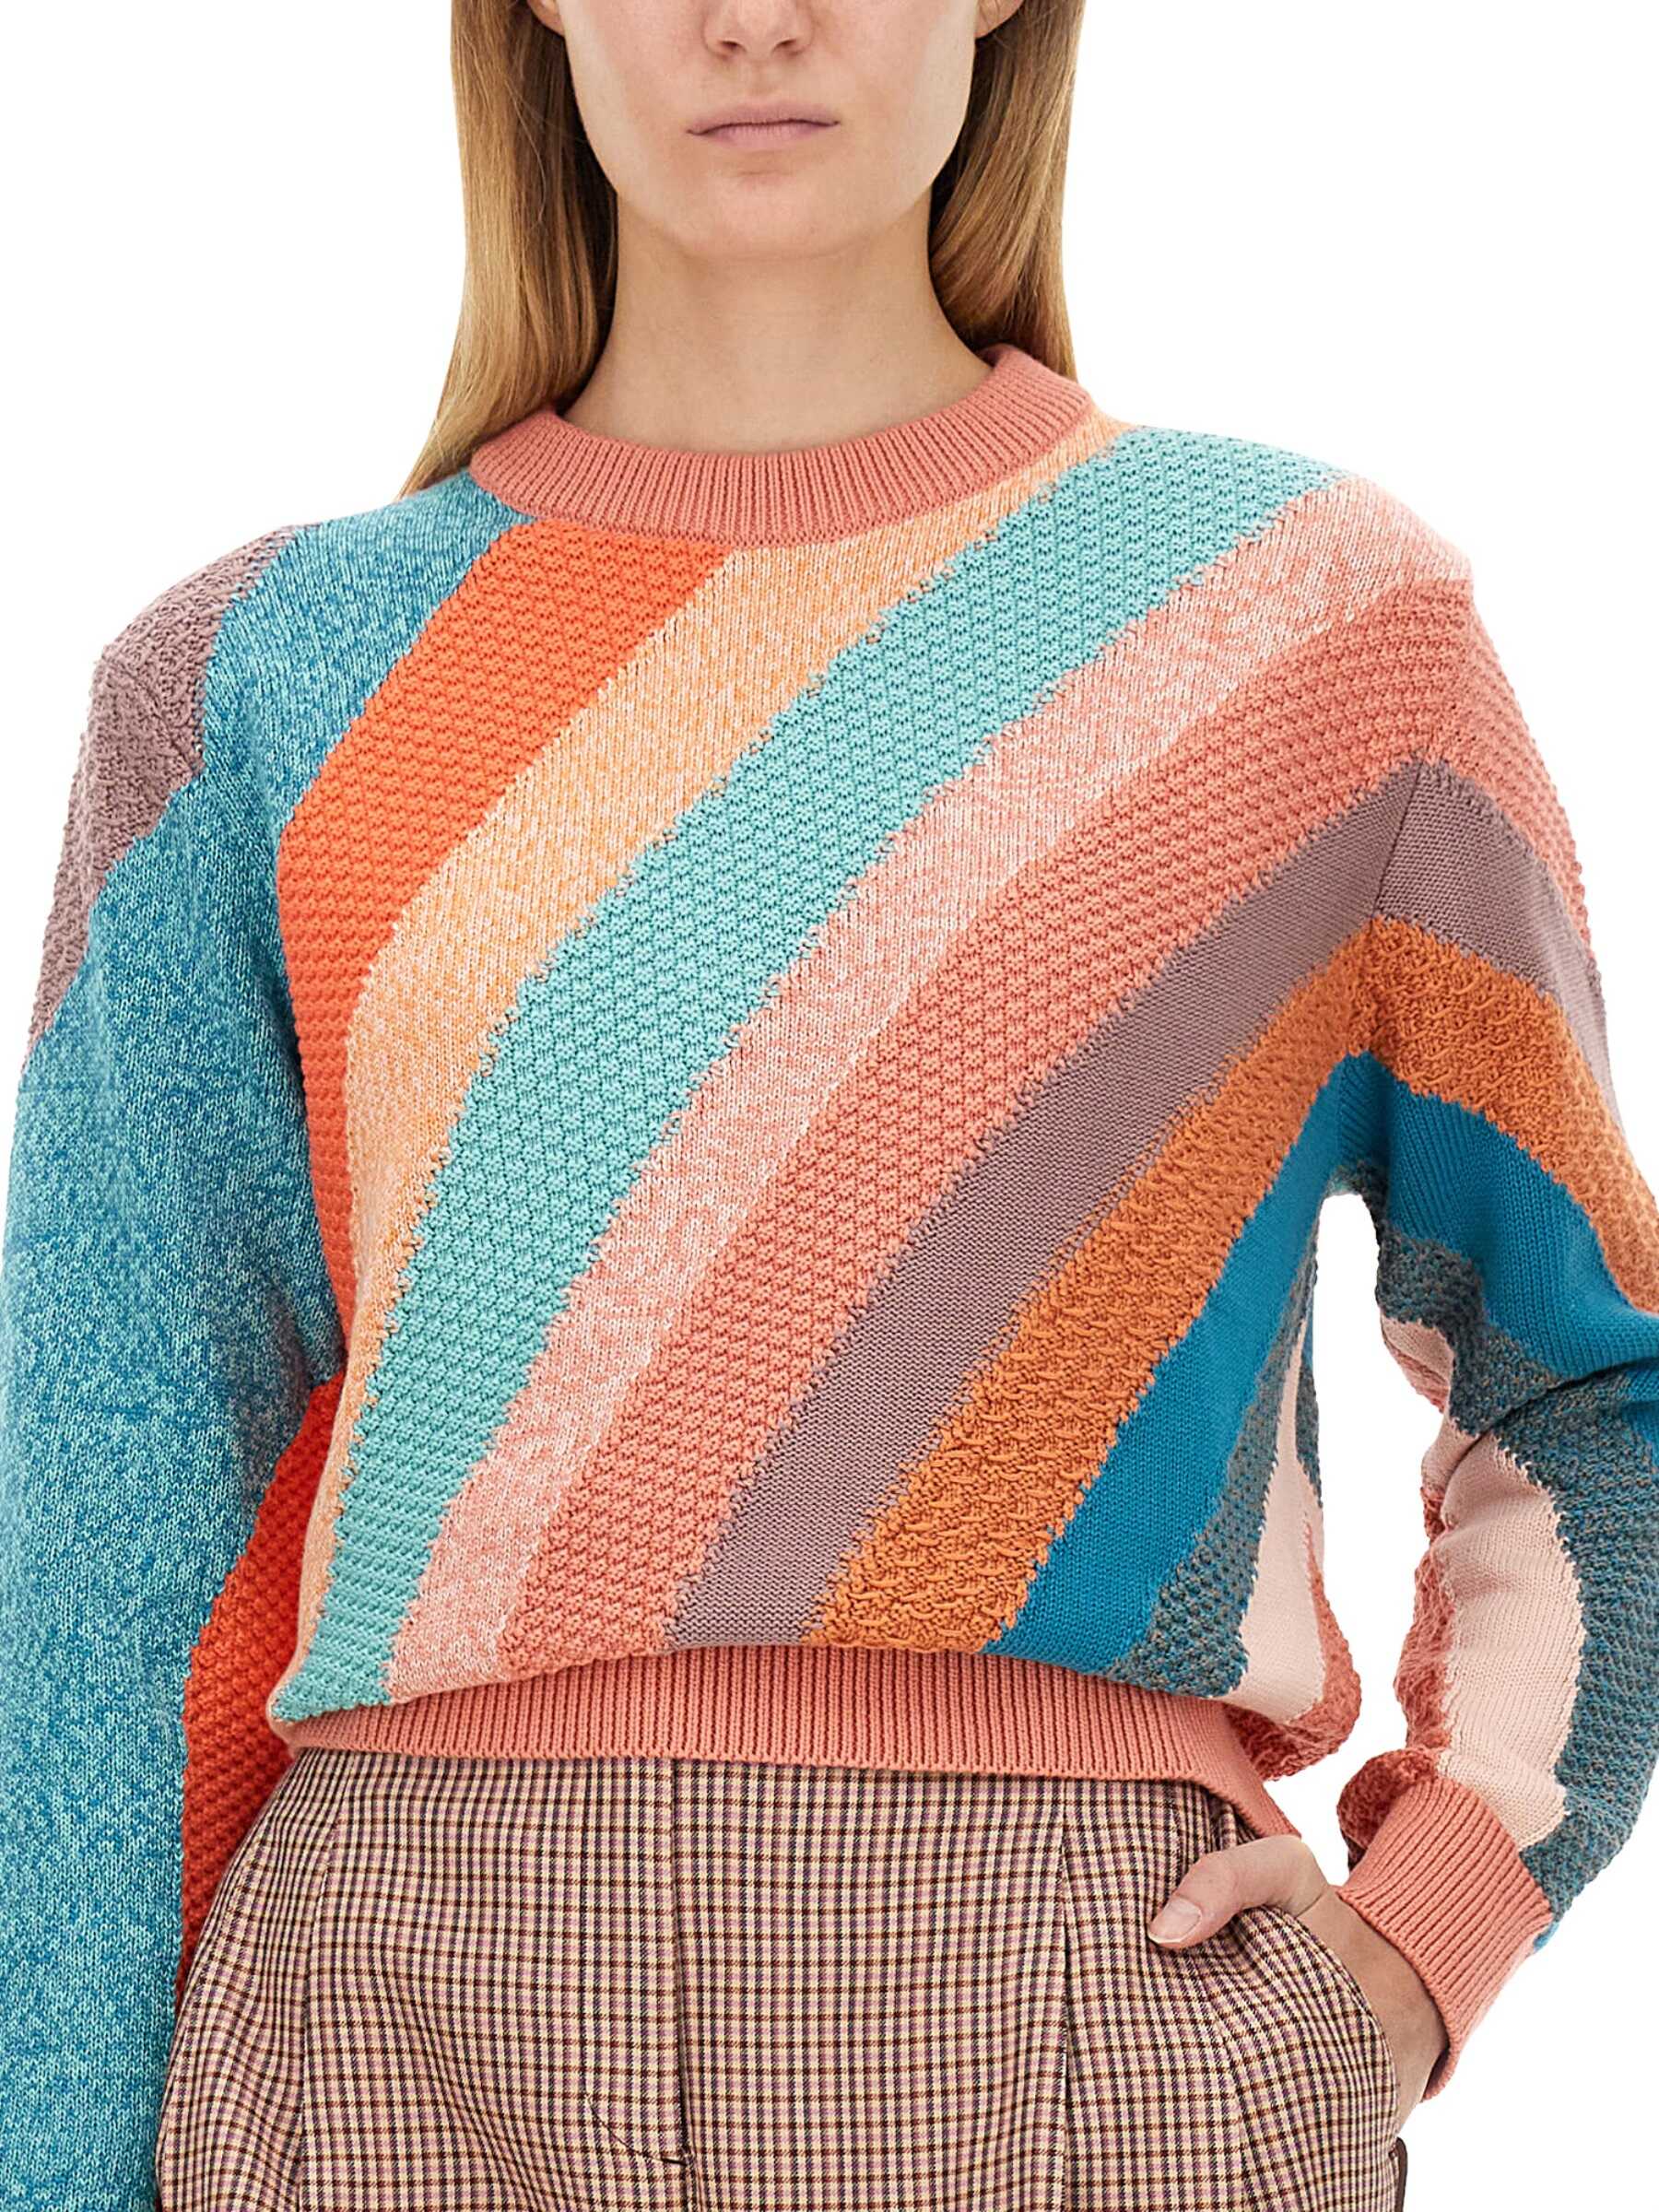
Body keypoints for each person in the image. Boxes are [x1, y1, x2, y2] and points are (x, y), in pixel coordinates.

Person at [3, 2, 1656, 2206]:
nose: (754, 17)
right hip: (393, 2029)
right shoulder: (248, 685)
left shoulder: (1319, 627)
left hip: (1093, 2017)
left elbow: (1598, 1386)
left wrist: (1426, 1942)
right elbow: (103, 1542)